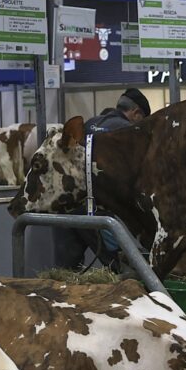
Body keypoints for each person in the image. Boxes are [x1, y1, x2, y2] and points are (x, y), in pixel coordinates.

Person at [53, 88, 153, 271]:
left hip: (67, 209)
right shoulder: (128, 131)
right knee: (122, 269)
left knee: (65, 273)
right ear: (136, 114)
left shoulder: (89, 123)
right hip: (99, 212)